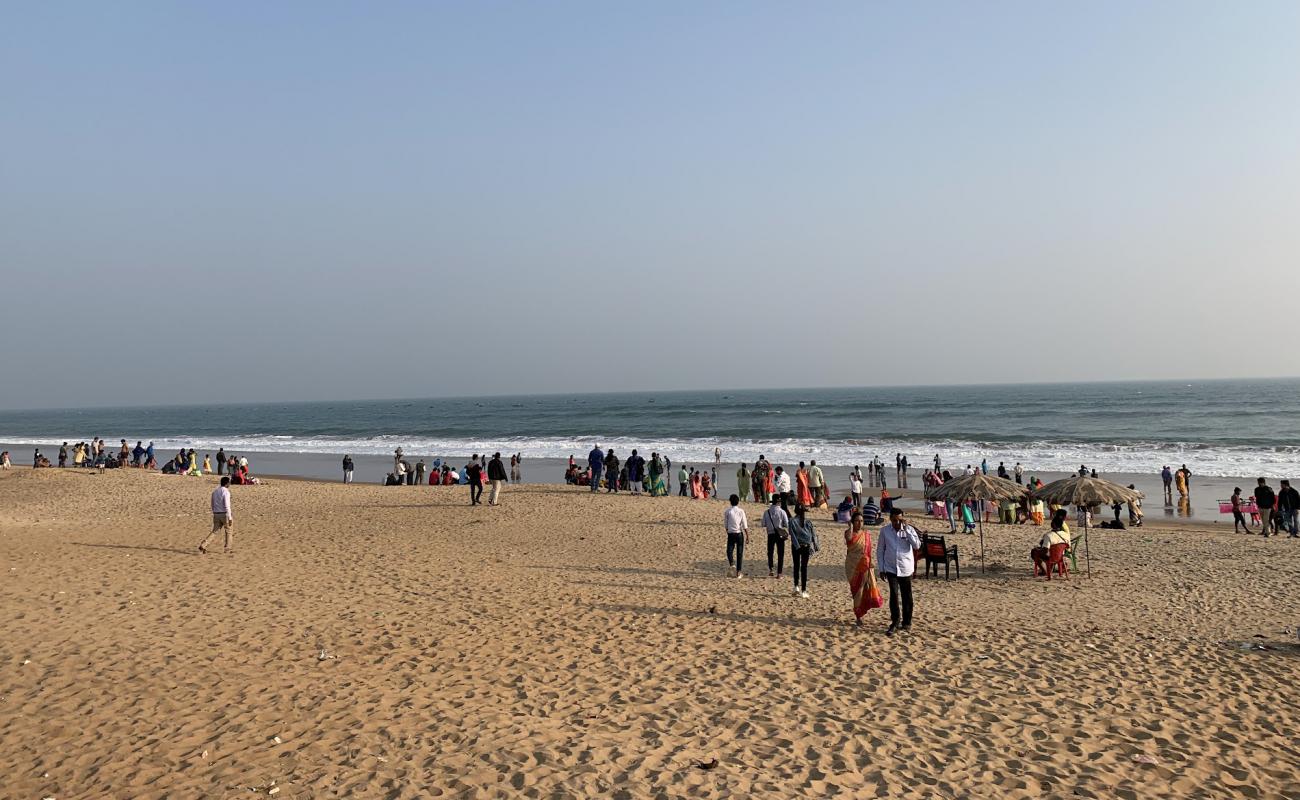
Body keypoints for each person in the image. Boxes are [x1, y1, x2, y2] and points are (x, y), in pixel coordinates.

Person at [877, 508, 922, 635]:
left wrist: (907, 530)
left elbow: (917, 546)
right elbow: (880, 550)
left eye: (900, 520)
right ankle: (895, 621)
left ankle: (907, 622)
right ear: (890, 519)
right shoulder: (885, 531)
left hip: (906, 568)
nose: (897, 523)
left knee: (907, 596)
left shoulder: (909, 530)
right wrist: (881, 568)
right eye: (895, 520)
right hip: (890, 568)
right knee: (894, 595)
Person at [843, 511, 878, 624]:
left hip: (865, 564)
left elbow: (869, 551)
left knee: (863, 589)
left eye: (861, 521)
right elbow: (848, 539)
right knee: (856, 590)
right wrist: (850, 527)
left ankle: (860, 613)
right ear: (853, 522)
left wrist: (871, 563)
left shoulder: (866, 535)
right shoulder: (849, 533)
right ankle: (858, 614)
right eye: (857, 521)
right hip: (852, 566)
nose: (859, 523)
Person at [789, 504, 819, 598]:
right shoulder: (808, 522)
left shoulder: (792, 521)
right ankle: (804, 590)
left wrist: (797, 545)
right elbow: (813, 534)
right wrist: (816, 545)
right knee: (804, 568)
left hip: (796, 546)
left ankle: (796, 586)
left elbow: (792, 534)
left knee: (796, 566)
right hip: (806, 545)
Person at [199, 476, 234, 554]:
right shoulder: (226, 492)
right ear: (227, 483)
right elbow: (227, 505)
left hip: (216, 514)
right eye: (229, 482)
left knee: (215, 531)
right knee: (229, 531)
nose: (230, 484)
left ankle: (204, 544)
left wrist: (214, 512)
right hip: (224, 514)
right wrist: (230, 517)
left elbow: (212, 504)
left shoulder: (215, 492)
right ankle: (227, 548)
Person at [761, 496, 790, 579]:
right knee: (780, 553)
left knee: (770, 552)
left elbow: (763, 524)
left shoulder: (767, 512)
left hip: (770, 534)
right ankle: (779, 573)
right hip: (780, 534)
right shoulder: (782, 512)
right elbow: (787, 524)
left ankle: (771, 569)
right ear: (778, 502)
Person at [723, 494, 749, 578]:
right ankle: (738, 572)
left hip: (731, 534)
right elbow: (744, 524)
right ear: (738, 502)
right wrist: (747, 535)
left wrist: (728, 531)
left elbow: (726, 525)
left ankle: (732, 563)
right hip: (739, 533)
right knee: (739, 553)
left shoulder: (727, 511)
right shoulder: (741, 511)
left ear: (730, 502)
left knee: (729, 550)